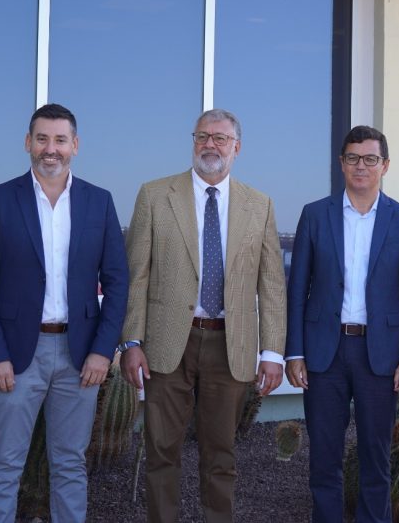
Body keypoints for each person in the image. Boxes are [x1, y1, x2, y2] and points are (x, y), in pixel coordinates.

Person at [119, 108, 287, 523]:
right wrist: (132, 342)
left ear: (237, 148)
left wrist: (272, 351)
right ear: (192, 141)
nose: (210, 144)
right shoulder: (155, 195)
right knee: (161, 452)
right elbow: (135, 275)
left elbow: (271, 284)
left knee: (221, 455)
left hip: (230, 344)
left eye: (220, 138)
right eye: (202, 136)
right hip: (166, 342)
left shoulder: (259, 205)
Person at [0, 103, 129, 523]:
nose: (50, 149)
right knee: (4, 464)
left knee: (70, 465)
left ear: (75, 145)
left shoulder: (99, 202)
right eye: (42, 139)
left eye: (60, 140)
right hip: (17, 356)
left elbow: (117, 282)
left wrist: (101, 351)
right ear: (28, 143)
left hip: (80, 356)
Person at [285, 125, 399, 522]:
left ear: (385, 165)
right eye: (352, 158)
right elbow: (298, 289)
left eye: (370, 159)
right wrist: (294, 351)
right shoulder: (315, 214)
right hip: (324, 352)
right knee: (324, 458)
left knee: (376, 458)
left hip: (379, 355)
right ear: (341, 163)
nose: (360, 166)